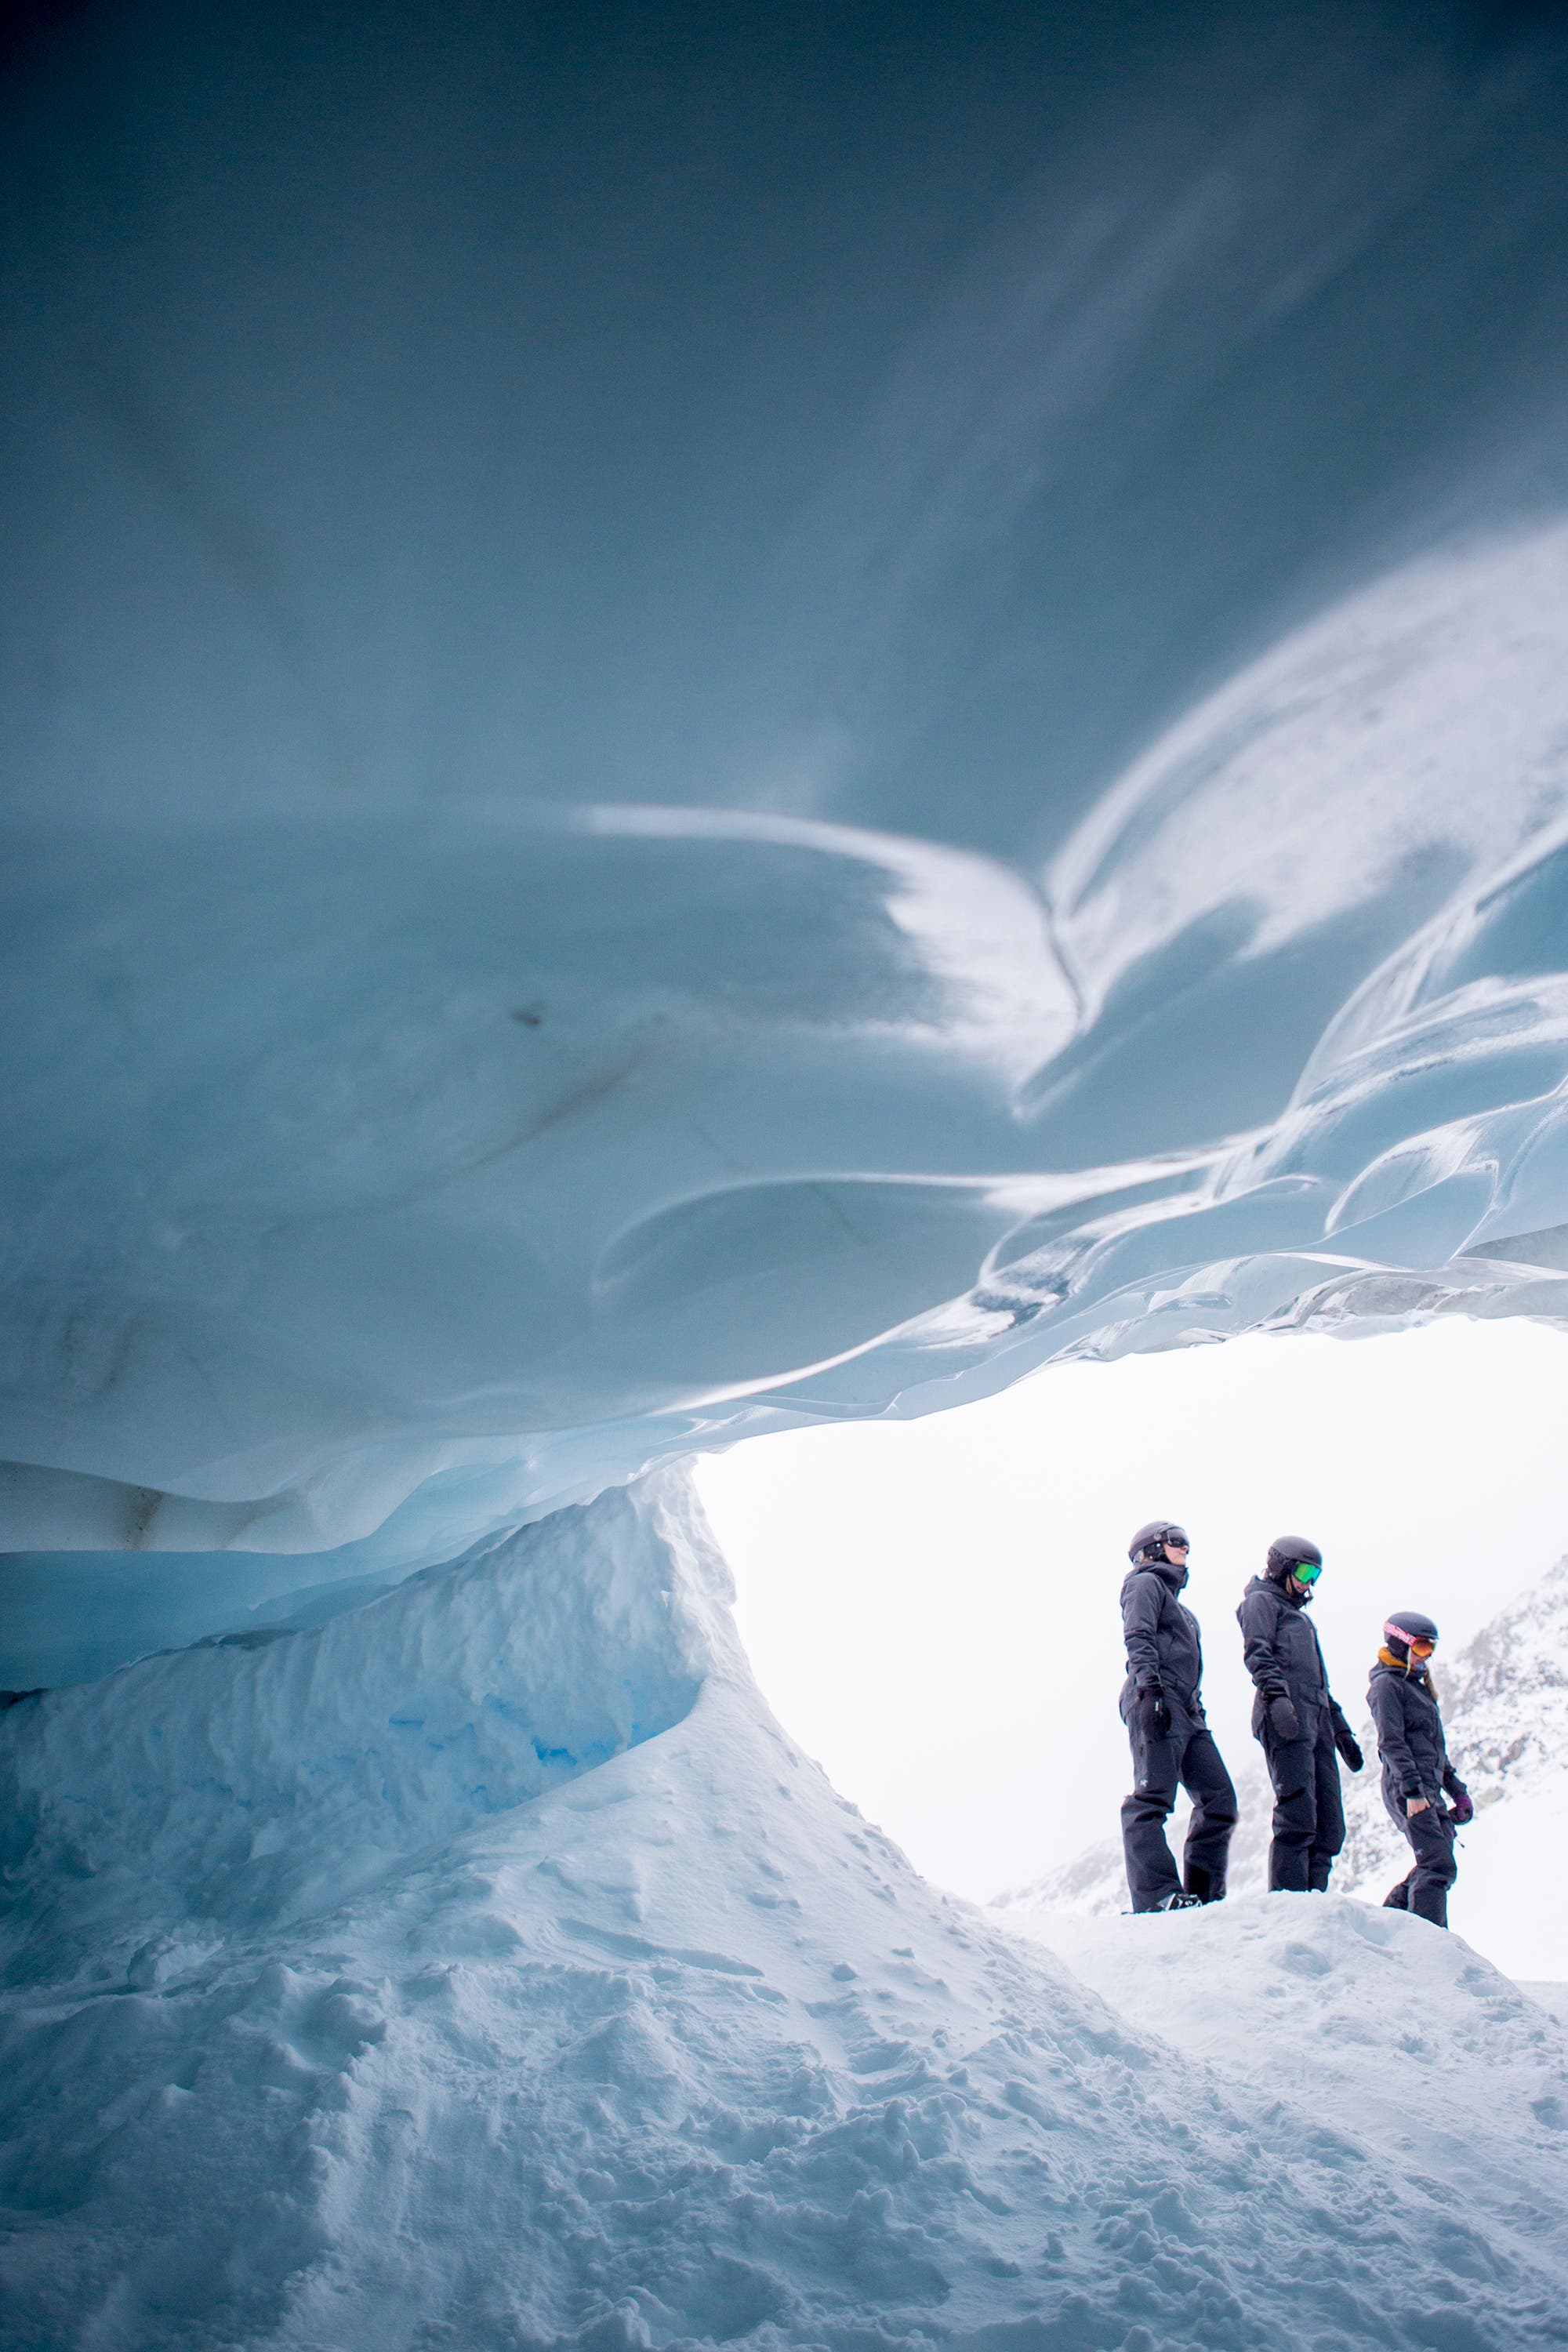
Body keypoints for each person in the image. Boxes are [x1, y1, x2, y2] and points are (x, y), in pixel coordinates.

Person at [1118, 1519, 1237, 1913]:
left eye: (1186, 1542)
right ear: (1151, 1550)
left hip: (1187, 1711)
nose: (1185, 1548)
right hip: (1154, 1698)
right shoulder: (1143, 1584)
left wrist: (1195, 1710)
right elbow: (1138, 1636)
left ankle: (1202, 1896)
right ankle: (1158, 1896)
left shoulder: (1185, 1613)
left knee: (1219, 1800)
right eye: (1175, 1541)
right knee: (1152, 1796)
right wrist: (1149, 1690)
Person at [1237, 1536, 1363, 1893]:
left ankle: (1314, 1904)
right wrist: (1277, 1700)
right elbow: (1257, 1653)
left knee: (1330, 1827)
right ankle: (1288, 1905)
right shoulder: (1260, 1602)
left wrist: (1340, 1730)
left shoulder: (1301, 1620)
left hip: (1316, 1720)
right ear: (1281, 1566)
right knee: (1298, 1817)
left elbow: (1319, 1682)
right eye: (1305, 1572)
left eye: (1316, 1576)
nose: (1309, 1583)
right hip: (1284, 1717)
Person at [1367, 1611, 1472, 1929]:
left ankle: (1390, 1922)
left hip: (1427, 1788)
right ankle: (1432, 1943)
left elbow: (1433, 1751)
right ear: (1402, 1644)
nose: (1428, 1655)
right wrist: (1412, 1792)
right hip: (1407, 1789)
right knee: (1438, 1865)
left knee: (1433, 1863)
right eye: (1423, 1647)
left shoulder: (1418, 1687)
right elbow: (1391, 1744)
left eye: (1432, 1648)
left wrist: (1458, 1791)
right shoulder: (1388, 1686)